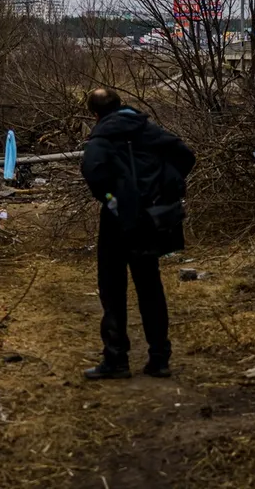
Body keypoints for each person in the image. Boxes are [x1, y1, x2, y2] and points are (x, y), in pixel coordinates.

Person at [79, 88, 195, 380]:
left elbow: (92, 172)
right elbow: (185, 156)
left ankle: (116, 359)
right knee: (150, 287)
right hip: (150, 219)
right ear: (121, 105)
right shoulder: (147, 129)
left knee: (112, 289)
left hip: (117, 221)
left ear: (95, 114)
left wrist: (112, 199)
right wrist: (163, 187)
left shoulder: (101, 138)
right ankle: (159, 359)